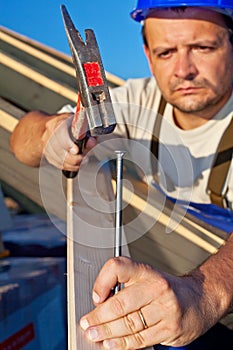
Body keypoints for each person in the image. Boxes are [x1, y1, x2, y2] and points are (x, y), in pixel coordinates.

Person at [10, 1, 233, 349]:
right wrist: (51, 133)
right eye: (165, 52)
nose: (184, 69)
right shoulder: (139, 101)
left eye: (202, 47)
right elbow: (21, 140)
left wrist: (206, 292)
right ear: (146, 53)